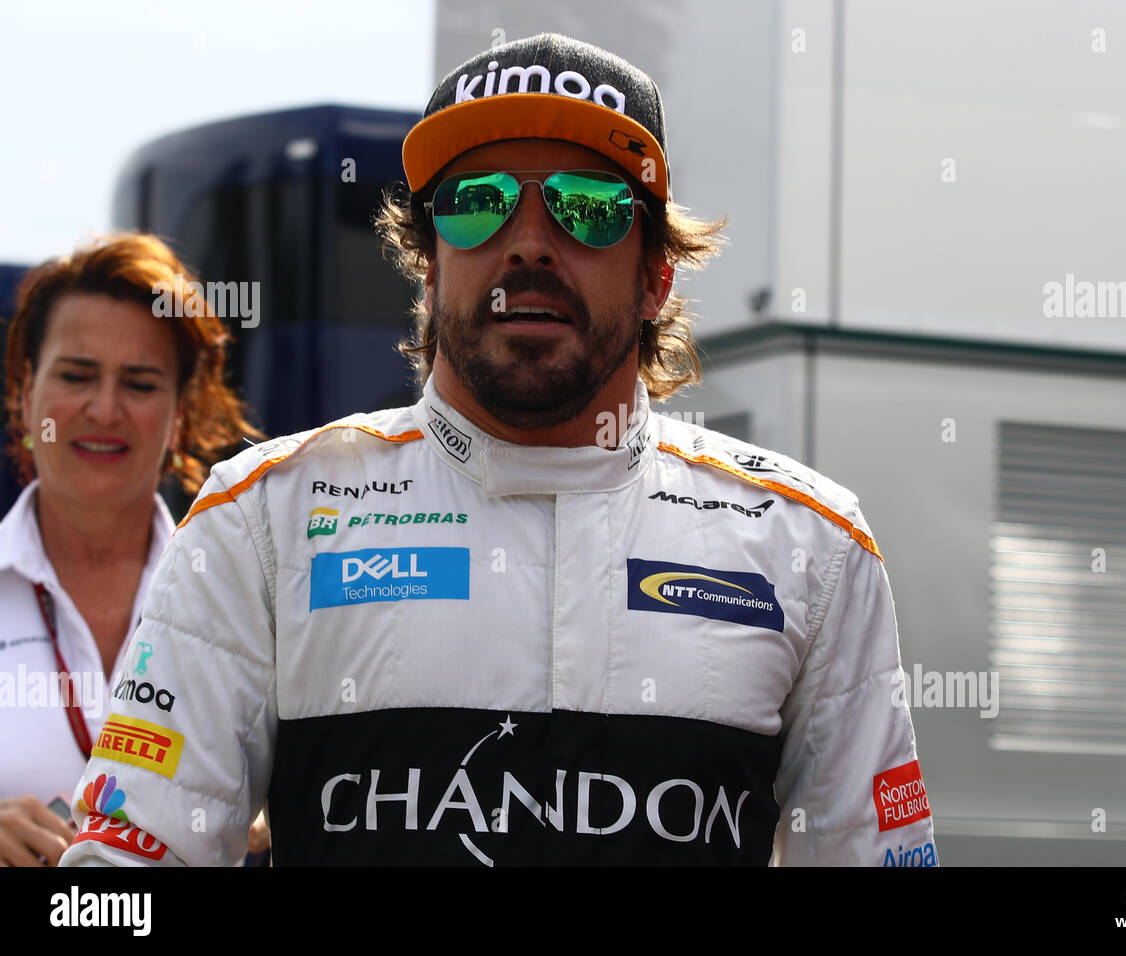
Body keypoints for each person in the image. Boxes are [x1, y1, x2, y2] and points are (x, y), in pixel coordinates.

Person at [62, 33, 937, 866]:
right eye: (477, 203)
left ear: (655, 276)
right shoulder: (262, 519)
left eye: (586, 209)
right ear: (430, 263)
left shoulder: (812, 546)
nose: (527, 241)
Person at [0, 234, 258, 865]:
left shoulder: (248, 600)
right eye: (76, 375)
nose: (104, 408)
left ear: (178, 416)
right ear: (26, 393)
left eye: (140, 384)